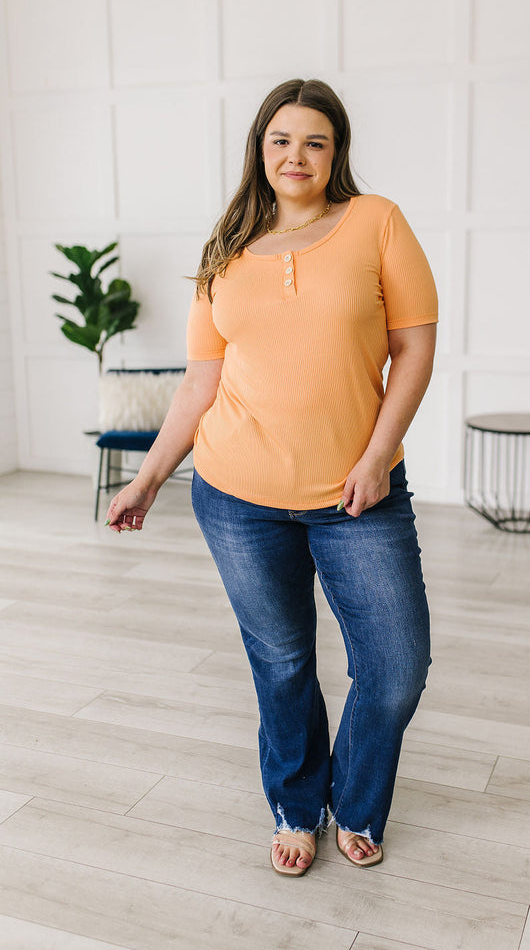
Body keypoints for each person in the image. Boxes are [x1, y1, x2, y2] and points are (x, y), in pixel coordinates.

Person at [105, 78, 438, 878]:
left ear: (336, 152)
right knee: (282, 663)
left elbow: (414, 349)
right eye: (281, 140)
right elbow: (200, 383)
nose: (297, 155)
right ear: (260, 150)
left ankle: (356, 802)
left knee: (396, 668)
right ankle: (295, 805)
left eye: (315, 141)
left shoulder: (375, 221)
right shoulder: (224, 250)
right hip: (235, 499)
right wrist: (148, 479)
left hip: (357, 496)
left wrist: (376, 457)